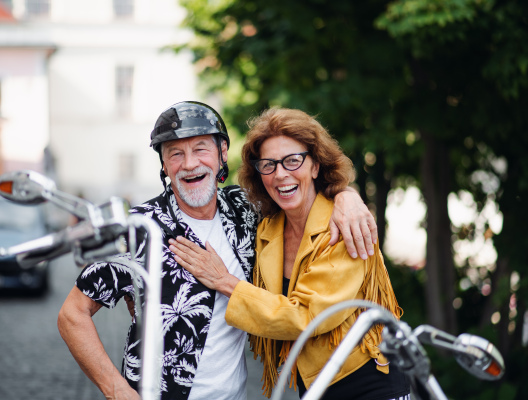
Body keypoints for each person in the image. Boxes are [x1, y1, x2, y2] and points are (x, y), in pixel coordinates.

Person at [57, 101, 377, 400]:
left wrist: (346, 196)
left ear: (222, 151)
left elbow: (301, 186)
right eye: (175, 154)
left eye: (200, 149)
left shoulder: (246, 209)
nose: (190, 164)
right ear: (165, 165)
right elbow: (72, 314)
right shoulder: (138, 228)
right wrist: (116, 390)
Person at [169, 107, 410, 400]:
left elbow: (308, 318)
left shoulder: (342, 228)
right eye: (268, 165)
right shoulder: (266, 226)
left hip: (370, 381)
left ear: (316, 166)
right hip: (313, 386)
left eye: (293, 161)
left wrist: (224, 281)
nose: (280, 174)